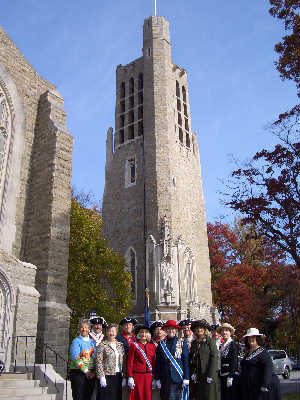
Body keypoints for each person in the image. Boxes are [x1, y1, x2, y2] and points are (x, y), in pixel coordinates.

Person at [240, 328, 282, 400]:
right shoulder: (247, 352)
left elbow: (268, 367)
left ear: (257, 338)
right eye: (249, 337)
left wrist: (265, 384)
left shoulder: (262, 352)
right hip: (250, 387)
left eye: (253, 337)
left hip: (260, 386)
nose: (250, 339)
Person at [154, 320, 190, 400]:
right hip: (165, 378)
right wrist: (157, 378)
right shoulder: (161, 344)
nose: (171, 331)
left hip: (178, 377)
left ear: (176, 330)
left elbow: (186, 361)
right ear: (165, 330)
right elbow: (158, 363)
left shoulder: (182, 342)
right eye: (168, 329)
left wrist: (186, 377)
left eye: (173, 329)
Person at [189, 319, 218, 400]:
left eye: (201, 328)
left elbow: (214, 357)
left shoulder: (210, 341)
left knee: (209, 396)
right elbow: (192, 359)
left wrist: (211, 375)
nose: (199, 330)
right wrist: (192, 373)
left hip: (208, 374)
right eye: (197, 328)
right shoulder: (194, 343)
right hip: (198, 376)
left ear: (205, 329)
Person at [96, 323, 126, 400]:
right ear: (106, 332)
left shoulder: (120, 345)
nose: (111, 333)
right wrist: (101, 376)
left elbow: (123, 361)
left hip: (118, 375)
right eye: (109, 331)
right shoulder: (102, 345)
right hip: (106, 375)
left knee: (116, 397)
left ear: (116, 333)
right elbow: (99, 361)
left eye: (113, 331)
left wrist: (125, 375)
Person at [127, 325, 156, 400]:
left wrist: (155, 377)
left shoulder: (152, 346)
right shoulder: (134, 345)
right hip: (137, 376)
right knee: (137, 396)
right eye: (141, 332)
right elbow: (130, 362)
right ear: (138, 334)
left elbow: (153, 362)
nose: (143, 334)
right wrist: (130, 376)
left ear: (149, 334)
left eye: (146, 332)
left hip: (148, 376)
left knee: (147, 396)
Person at [69, 320, 96, 400]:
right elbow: (75, 358)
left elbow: (95, 357)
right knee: (79, 396)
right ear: (79, 329)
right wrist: (86, 371)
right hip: (78, 373)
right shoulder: (76, 341)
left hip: (91, 373)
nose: (84, 329)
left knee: (88, 396)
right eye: (81, 327)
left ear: (89, 329)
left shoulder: (92, 342)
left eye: (86, 327)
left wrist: (94, 371)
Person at [217, 323, 239, 400]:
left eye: (226, 330)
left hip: (230, 375)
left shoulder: (233, 344)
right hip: (222, 375)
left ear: (230, 332)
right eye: (222, 331)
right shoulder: (221, 345)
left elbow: (234, 360)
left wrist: (231, 376)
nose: (224, 333)